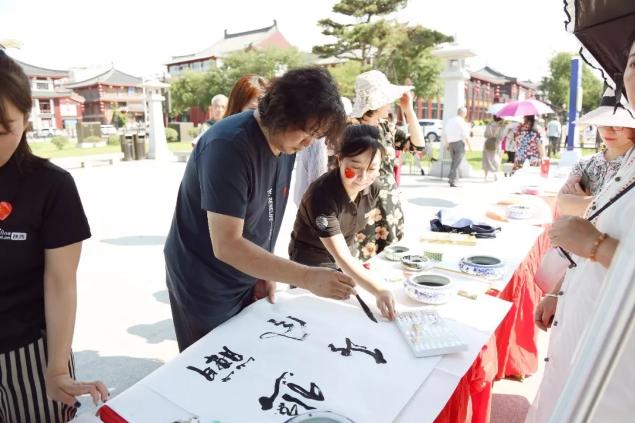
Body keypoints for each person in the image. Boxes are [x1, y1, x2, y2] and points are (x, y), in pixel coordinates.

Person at [164, 67, 355, 352]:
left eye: (316, 136)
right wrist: (306, 277)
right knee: (212, 359)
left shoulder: (286, 144)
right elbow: (227, 245)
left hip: (244, 269)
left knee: (248, 353)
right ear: (282, 113)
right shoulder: (227, 147)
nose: (308, 144)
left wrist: (266, 272)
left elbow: (266, 214)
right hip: (205, 279)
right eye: (307, 133)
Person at [527, 36, 635, 421]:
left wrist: (595, 244)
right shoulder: (618, 164)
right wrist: (560, 291)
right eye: (633, 63)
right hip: (585, 318)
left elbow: (592, 233)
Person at [0, 50, 108, 422]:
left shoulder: (51, 187)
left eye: (1, 130)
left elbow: (60, 282)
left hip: (28, 352)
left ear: (26, 120)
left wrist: (58, 368)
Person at [289, 125, 396, 320]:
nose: (363, 177)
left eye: (372, 168)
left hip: (346, 260)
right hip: (312, 264)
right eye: (355, 167)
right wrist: (379, 290)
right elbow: (342, 258)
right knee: (313, 319)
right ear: (339, 160)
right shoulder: (321, 196)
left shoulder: (373, 186)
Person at [349, 70, 424, 259]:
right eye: (387, 98)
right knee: (361, 261)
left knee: (388, 262)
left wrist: (409, 110)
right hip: (362, 208)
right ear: (377, 102)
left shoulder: (384, 126)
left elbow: (417, 144)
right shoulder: (350, 128)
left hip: (389, 207)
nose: (391, 102)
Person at [556, 89, 635, 216]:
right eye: (603, 122)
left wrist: (583, 204)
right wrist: (600, 205)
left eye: (617, 124)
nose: (607, 129)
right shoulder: (585, 164)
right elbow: (563, 204)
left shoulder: (631, 166)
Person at [293, 97, 353, 207]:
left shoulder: (324, 136)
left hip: (306, 198)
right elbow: (317, 178)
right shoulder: (319, 140)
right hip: (312, 203)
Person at [442, 107, 472, 187]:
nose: (466, 114)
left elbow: (445, 134)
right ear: (463, 113)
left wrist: (447, 144)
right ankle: (453, 181)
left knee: (454, 162)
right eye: (465, 113)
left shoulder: (450, 121)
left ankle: (451, 178)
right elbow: (465, 135)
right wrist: (470, 146)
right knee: (456, 163)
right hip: (459, 143)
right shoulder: (462, 122)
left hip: (451, 144)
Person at [482, 116, 505, 181]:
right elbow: (501, 137)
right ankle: (495, 175)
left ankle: (485, 176)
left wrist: (490, 136)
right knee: (496, 159)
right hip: (496, 144)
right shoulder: (501, 127)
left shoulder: (489, 125)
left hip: (488, 144)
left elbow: (485, 135)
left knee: (486, 159)